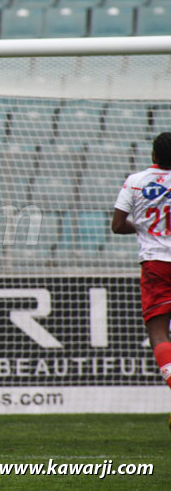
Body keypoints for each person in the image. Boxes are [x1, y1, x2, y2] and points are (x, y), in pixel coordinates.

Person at [112, 131, 171, 431]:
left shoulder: (135, 181)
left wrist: (144, 230)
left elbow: (117, 224)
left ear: (154, 155)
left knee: (160, 335)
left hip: (156, 265)